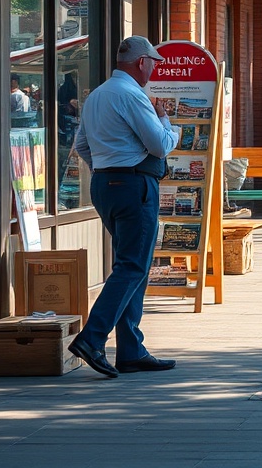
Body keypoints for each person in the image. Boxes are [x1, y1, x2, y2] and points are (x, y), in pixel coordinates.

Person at [69, 36, 180, 377]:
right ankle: (92, 338)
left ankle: (131, 350)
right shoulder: (133, 95)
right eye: (154, 63)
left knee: (132, 265)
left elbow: (81, 145)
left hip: (105, 184)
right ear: (142, 62)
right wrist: (168, 123)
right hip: (134, 185)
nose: (154, 69)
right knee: (132, 266)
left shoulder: (98, 95)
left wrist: (105, 168)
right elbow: (160, 145)